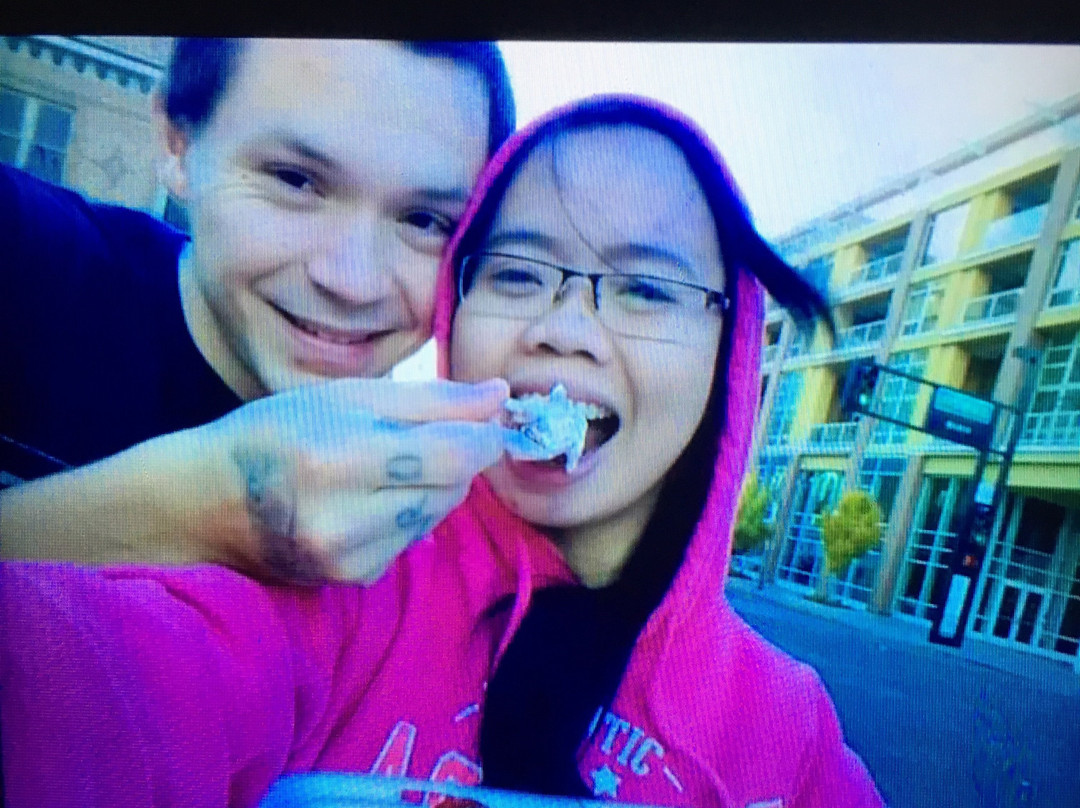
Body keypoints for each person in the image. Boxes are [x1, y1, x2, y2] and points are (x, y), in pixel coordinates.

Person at [0, 96, 884, 807]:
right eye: (517, 273)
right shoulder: (346, 574)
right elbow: (88, 690)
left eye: (646, 289)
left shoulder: (787, 732)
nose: (565, 330)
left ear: (729, 357)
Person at [0, 38, 514, 582]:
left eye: (425, 221)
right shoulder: (21, 256)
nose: (354, 283)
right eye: (295, 180)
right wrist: (199, 512)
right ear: (177, 143)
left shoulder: (445, 519)